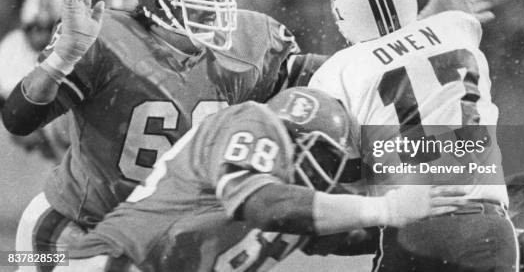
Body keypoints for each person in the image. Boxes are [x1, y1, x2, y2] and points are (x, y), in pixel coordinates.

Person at [3, 0, 300, 269]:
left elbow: (317, 85)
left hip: (159, 238)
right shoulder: (108, 42)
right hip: (76, 228)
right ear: (162, 2)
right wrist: (61, 59)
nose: (215, 4)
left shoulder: (246, 47)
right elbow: (18, 118)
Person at [51, 87, 467, 272]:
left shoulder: (299, 212)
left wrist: (449, 223)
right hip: (105, 264)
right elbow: (261, 205)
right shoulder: (255, 122)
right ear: (297, 135)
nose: (335, 178)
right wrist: (386, 207)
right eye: (328, 157)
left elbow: (357, 235)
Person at [308, 0, 517, 271]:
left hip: (415, 229)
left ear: (342, 15)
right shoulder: (459, 27)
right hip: (488, 228)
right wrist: (432, 15)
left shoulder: (335, 73)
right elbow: (410, 51)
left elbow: (341, 173)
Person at [0, 0, 71, 163]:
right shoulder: (12, 47)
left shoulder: (82, 46)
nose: (41, 36)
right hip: (38, 126)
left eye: (49, 28)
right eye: (36, 28)